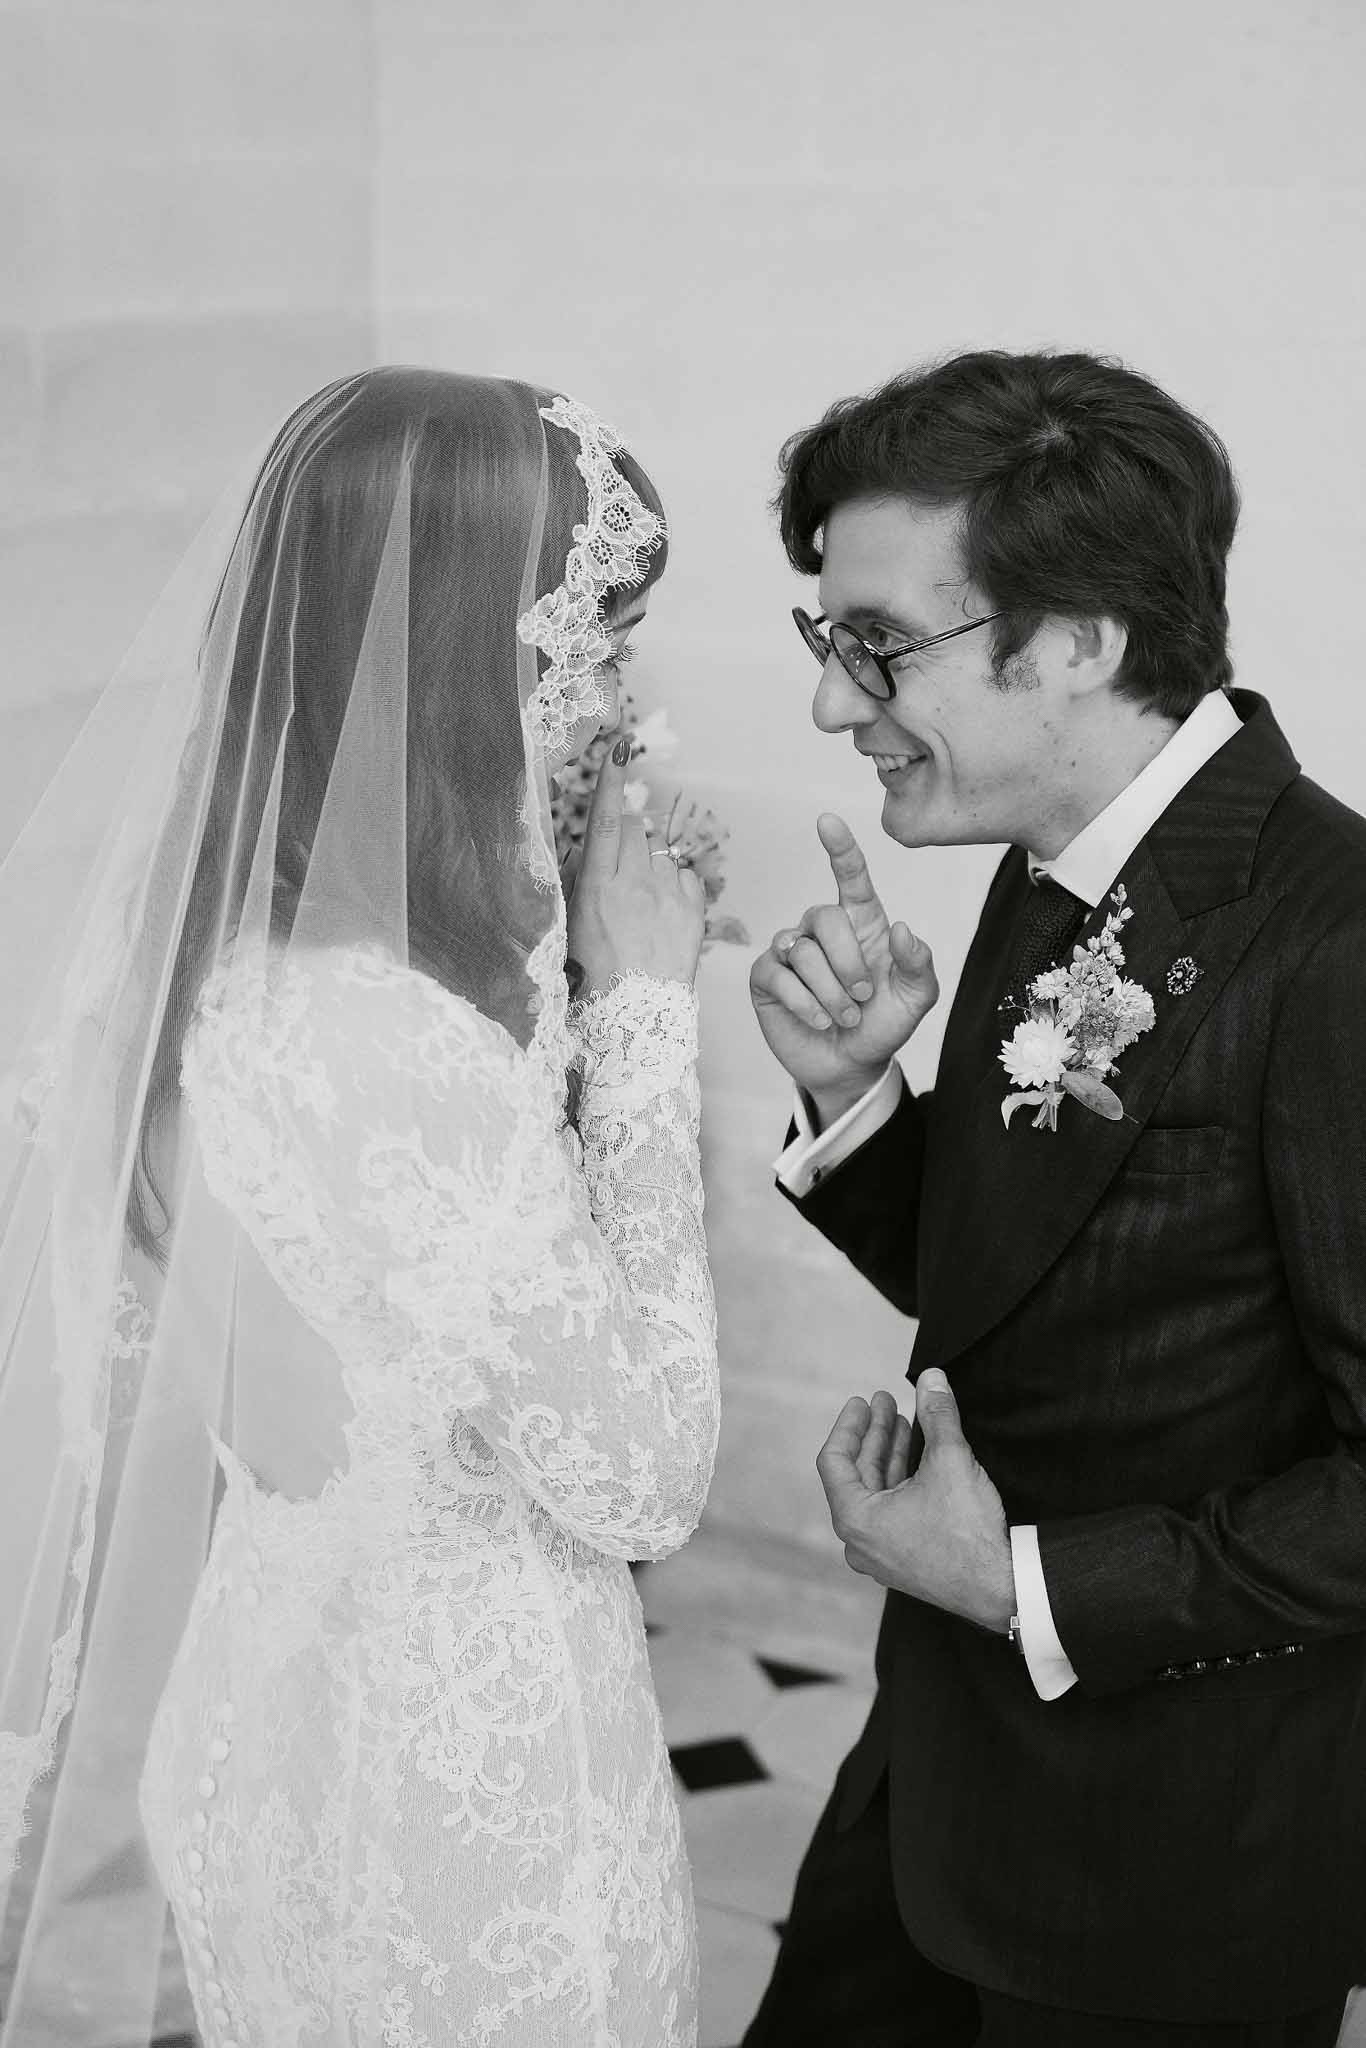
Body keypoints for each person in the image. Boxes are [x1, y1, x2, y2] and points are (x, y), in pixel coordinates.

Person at [0, 368, 718, 2047]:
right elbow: (645, 1476)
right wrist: (646, 1017)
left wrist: (567, 966)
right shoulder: (378, 1028)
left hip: (274, 1694)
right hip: (464, 1762)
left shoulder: (196, 960)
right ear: (472, 653)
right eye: (586, 639)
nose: (610, 696)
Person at [745, 349, 1366, 2046]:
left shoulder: (1334, 943)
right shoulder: (1049, 865)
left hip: (1165, 1860)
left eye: (878, 646)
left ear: (1078, 640)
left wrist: (1021, 1585)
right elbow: (1044, 1279)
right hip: (933, 1780)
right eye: (829, 639)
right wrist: (857, 1090)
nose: (831, 700)